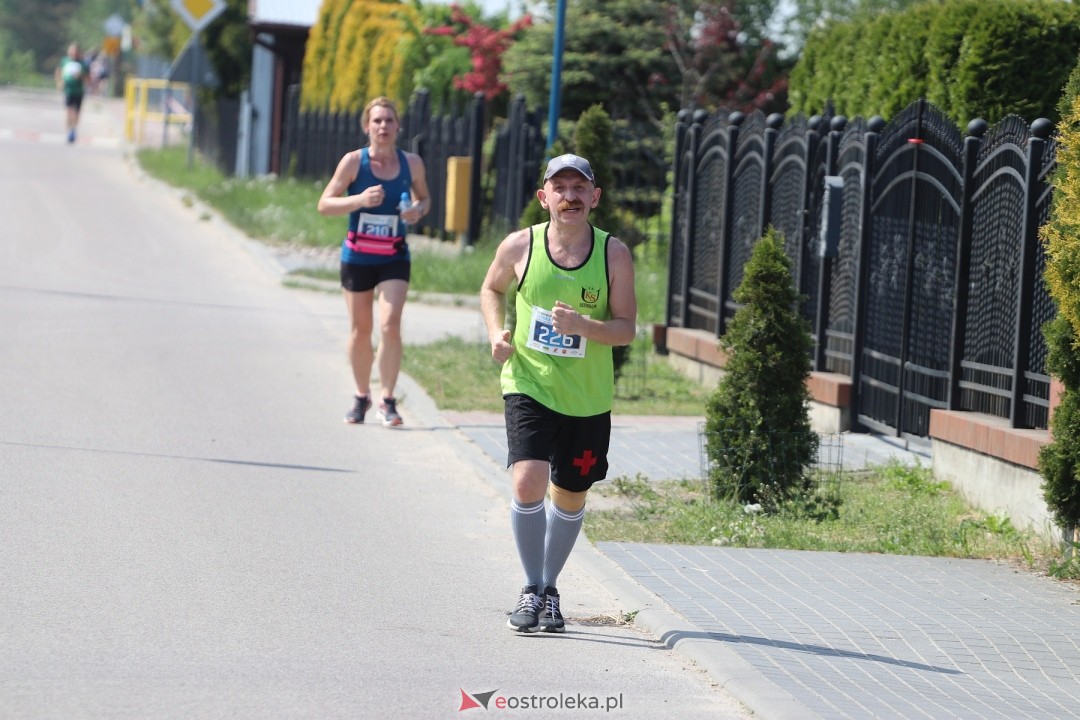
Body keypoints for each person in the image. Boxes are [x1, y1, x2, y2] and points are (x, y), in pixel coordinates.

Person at [480, 153, 637, 633]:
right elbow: (492, 289)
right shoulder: (519, 245)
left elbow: (626, 329)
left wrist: (582, 326)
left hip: (587, 398)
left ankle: (549, 588)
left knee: (570, 494)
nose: (570, 196)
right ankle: (531, 589)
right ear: (543, 197)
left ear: (595, 197)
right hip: (529, 383)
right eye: (560, 188)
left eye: (579, 188)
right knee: (528, 481)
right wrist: (496, 333)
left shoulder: (614, 254)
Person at [317, 97, 430, 427]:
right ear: (367, 127)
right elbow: (324, 204)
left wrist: (417, 211)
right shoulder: (354, 162)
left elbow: (425, 198)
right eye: (377, 121)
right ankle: (361, 395)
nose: (383, 126)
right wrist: (359, 200)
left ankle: (388, 400)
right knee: (360, 329)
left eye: (389, 121)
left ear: (398, 126)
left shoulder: (412, 164)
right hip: (358, 256)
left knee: (390, 323)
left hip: (394, 254)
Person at [55, 43, 87, 144]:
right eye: (72, 51)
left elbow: (88, 78)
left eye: (75, 51)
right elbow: (58, 71)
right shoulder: (65, 61)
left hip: (78, 91)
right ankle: (69, 131)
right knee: (69, 111)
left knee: (77, 113)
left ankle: (74, 129)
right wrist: (59, 81)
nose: (73, 53)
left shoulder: (83, 64)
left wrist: (80, 76)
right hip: (68, 90)